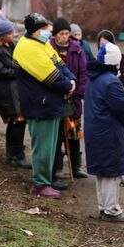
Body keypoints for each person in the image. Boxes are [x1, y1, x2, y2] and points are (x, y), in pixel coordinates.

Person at [13, 13, 76, 199]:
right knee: (42, 148)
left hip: (49, 104)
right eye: (43, 28)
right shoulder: (27, 48)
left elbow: (59, 65)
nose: (47, 31)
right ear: (34, 30)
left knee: (48, 147)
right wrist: (67, 85)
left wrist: (71, 80)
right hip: (40, 106)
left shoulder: (41, 44)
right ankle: (40, 184)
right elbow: (50, 76)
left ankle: (44, 182)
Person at [84, 42, 124, 222]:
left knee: (103, 171)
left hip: (96, 129)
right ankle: (112, 210)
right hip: (108, 131)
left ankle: (104, 206)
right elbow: (122, 107)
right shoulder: (111, 81)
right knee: (112, 171)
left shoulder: (93, 77)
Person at [0, 19, 31, 169]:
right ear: (2, 35)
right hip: (5, 93)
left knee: (17, 122)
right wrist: (20, 71)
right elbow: (1, 72)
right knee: (16, 122)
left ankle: (14, 155)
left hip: (14, 91)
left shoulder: (12, 45)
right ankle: (15, 156)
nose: (13, 35)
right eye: (10, 33)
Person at [49, 18, 88, 191]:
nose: (65, 37)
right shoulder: (48, 48)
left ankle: (76, 165)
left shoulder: (77, 49)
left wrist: (77, 93)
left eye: (66, 33)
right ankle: (57, 169)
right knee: (57, 136)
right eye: (61, 33)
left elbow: (82, 74)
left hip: (74, 99)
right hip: (56, 98)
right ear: (55, 34)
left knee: (73, 133)